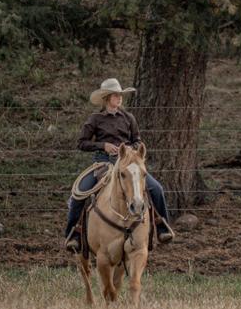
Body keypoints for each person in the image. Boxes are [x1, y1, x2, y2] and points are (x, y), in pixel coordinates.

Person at [64, 78, 174, 252]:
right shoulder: (95, 119)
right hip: (103, 163)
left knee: (156, 188)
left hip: (127, 163)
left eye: (121, 95)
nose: (120, 98)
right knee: (79, 194)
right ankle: (74, 234)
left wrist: (132, 148)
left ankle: (162, 226)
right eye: (116, 95)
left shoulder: (128, 117)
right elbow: (82, 143)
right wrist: (103, 146)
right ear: (107, 98)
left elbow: (137, 140)